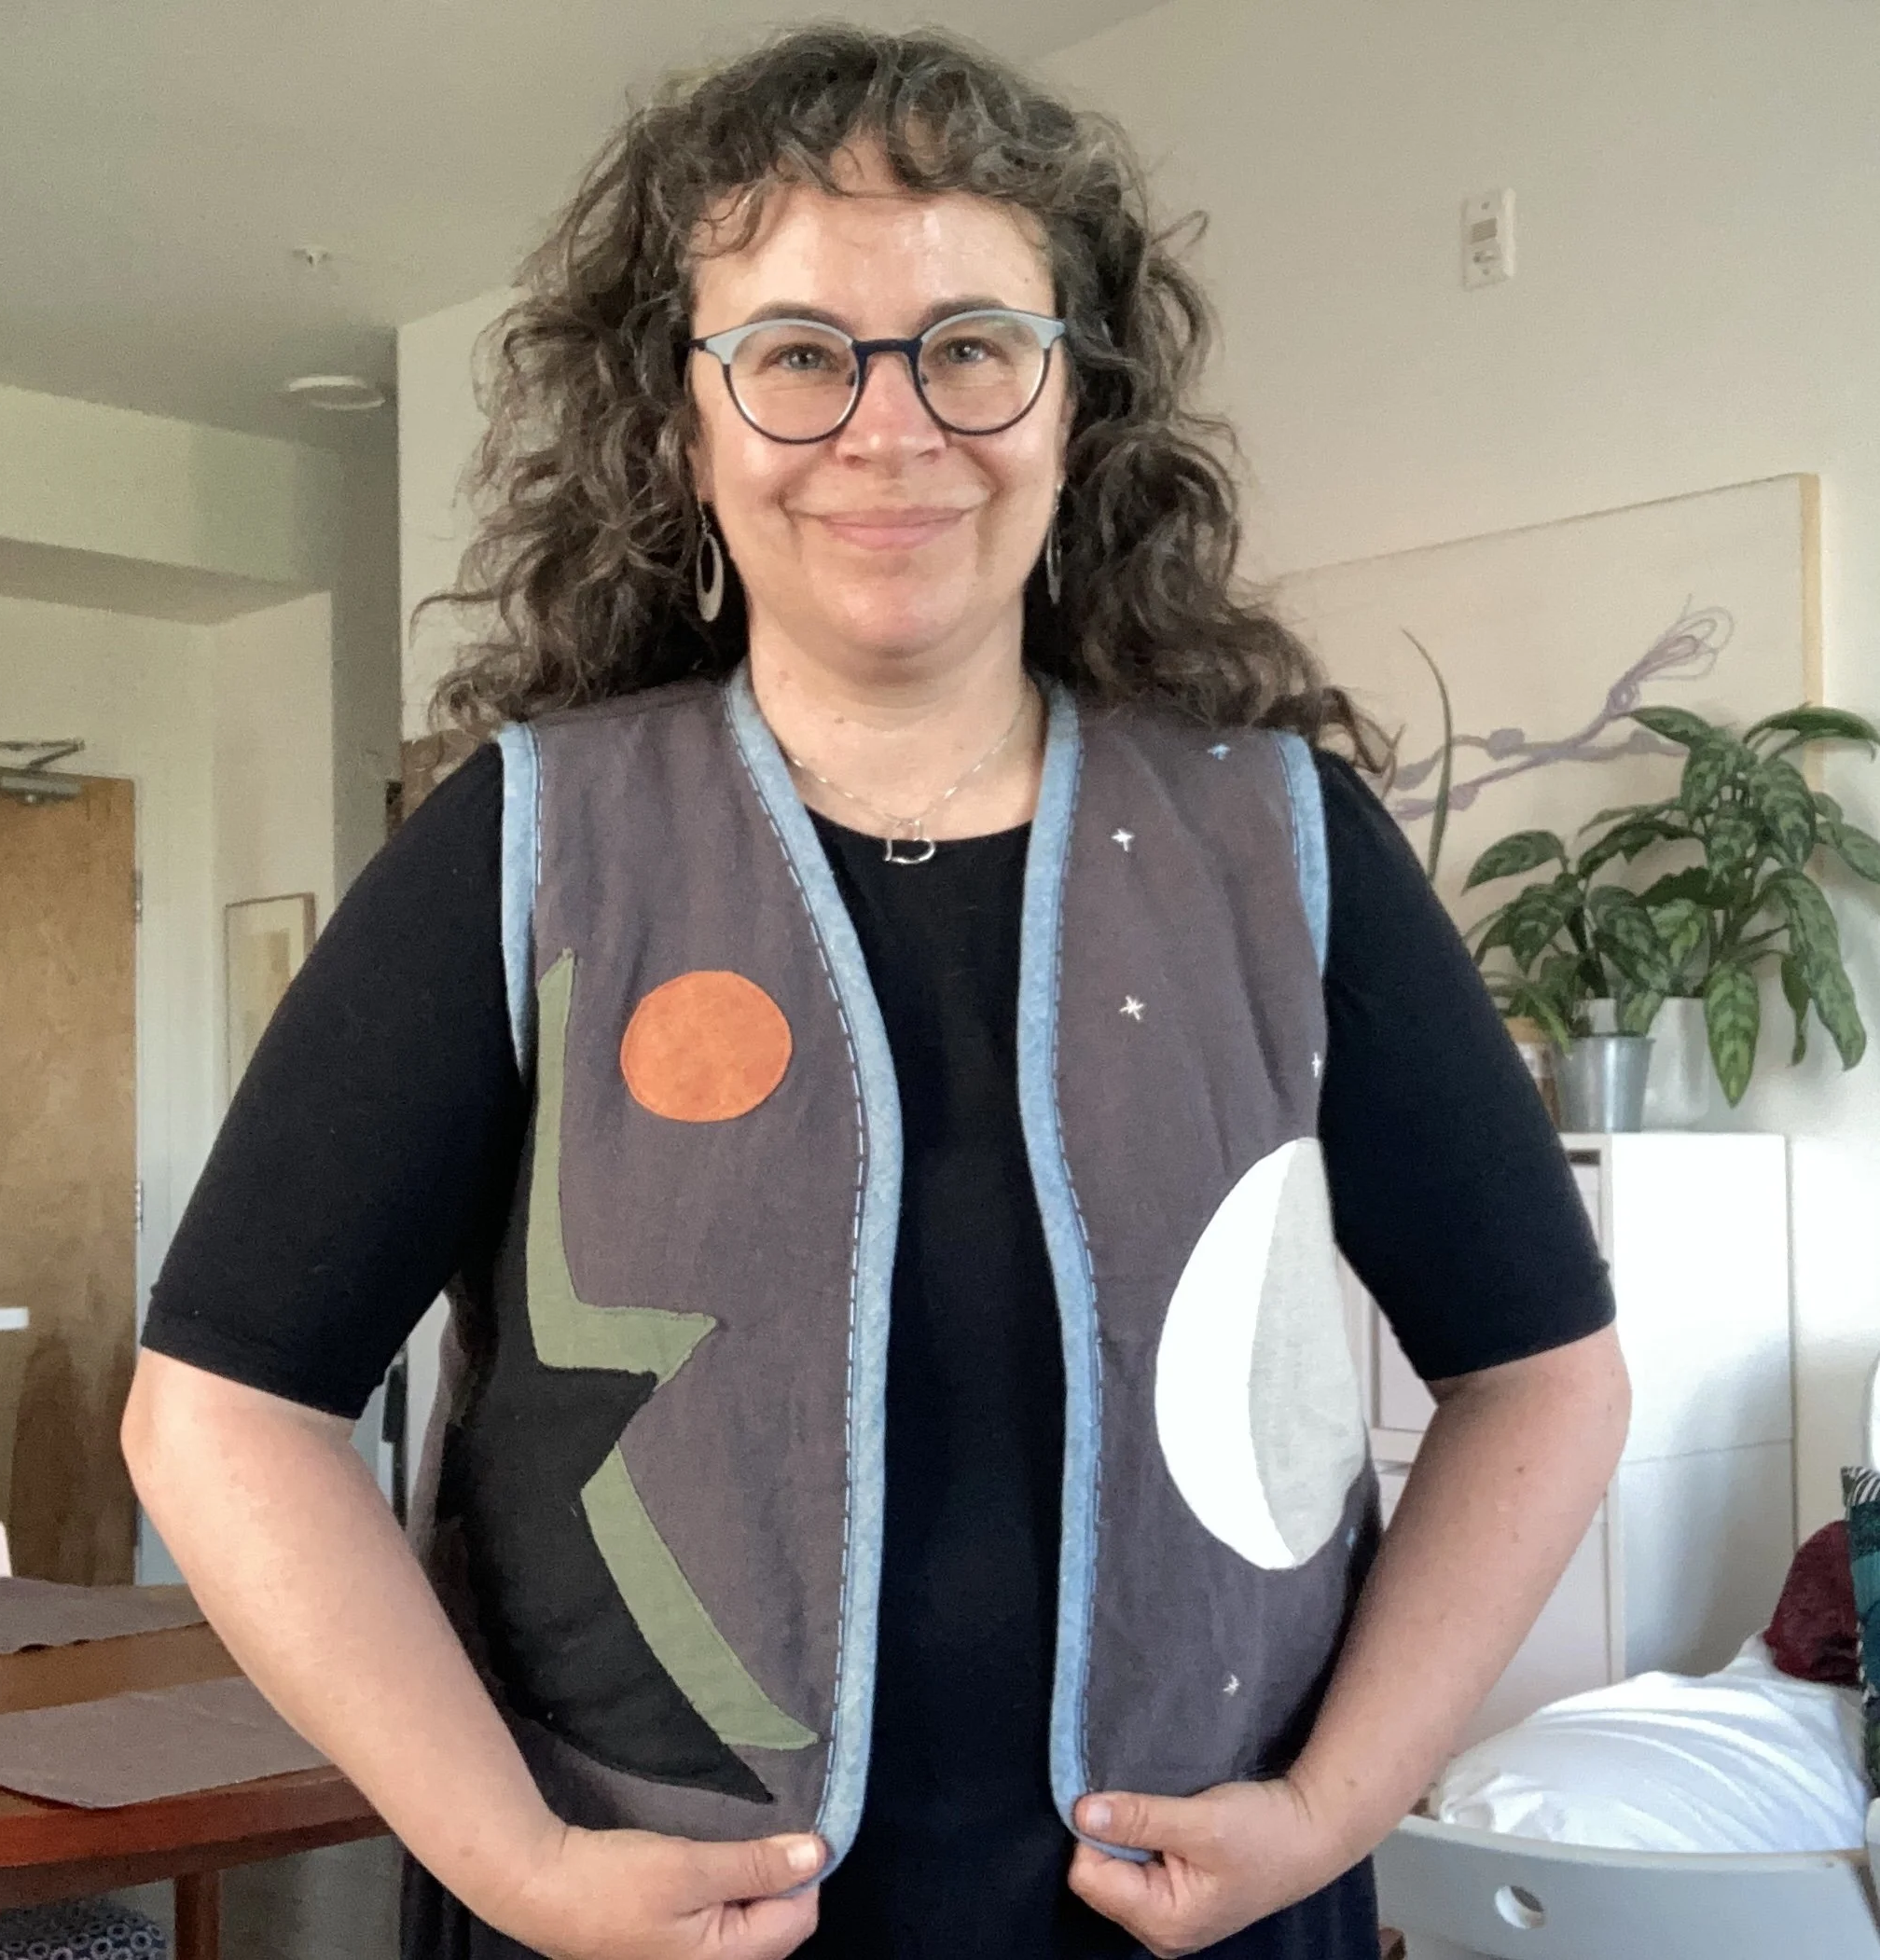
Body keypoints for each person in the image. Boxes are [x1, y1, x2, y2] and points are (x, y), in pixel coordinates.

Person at [123, 27, 1629, 1960]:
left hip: (1193, 1926)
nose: (890, 427)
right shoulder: (527, 844)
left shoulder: (1280, 843)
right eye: (800, 353)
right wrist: (516, 1863)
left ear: (1075, 400)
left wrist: (1334, 1810)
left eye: (971, 345)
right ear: (687, 420)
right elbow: (221, 1410)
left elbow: (1542, 1376)